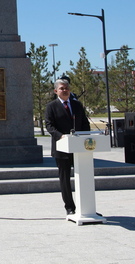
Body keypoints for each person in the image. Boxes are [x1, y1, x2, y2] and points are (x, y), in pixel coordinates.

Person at [45, 78, 90, 216]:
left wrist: (85, 136)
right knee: (65, 179)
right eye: (62, 89)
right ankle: (70, 207)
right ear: (56, 91)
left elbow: (85, 123)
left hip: (79, 148)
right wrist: (61, 136)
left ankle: (86, 208)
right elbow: (49, 125)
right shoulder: (51, 106)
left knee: (83, 177)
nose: (65, 91)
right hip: (62, 148)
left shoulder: (77, 105)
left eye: (66, 88)